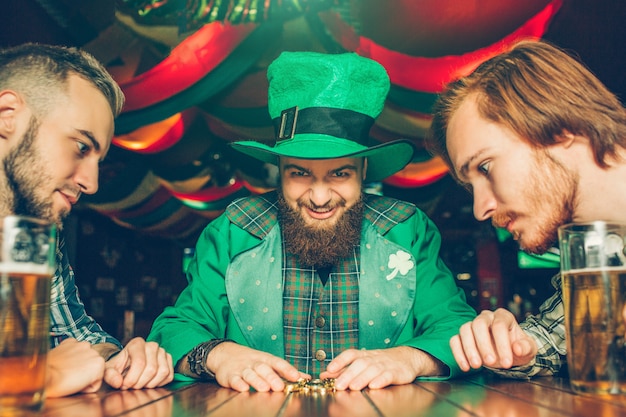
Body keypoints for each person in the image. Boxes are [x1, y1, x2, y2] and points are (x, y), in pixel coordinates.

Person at [147, 51, 477, 392]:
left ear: (363, 171)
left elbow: (456, 326)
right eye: (300, 173)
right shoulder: (232, 231)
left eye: (340, 173)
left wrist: (409, 358)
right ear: (280, 171)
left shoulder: (408, 229)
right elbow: (174, 330)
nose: (319, 198)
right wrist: (219, 355)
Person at [425, 39, 626, 378]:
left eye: (485, 168)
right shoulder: (599, 248)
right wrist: (516, 345)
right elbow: (552, 338)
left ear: (561, 126)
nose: (480, 209)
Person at [0, 43, 174, 397]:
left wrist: (119, 359)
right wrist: (35, 376)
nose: (91, 184)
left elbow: (75, 332)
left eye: (98, 159)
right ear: (7, 115)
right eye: (81, 147)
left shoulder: (30, 233)